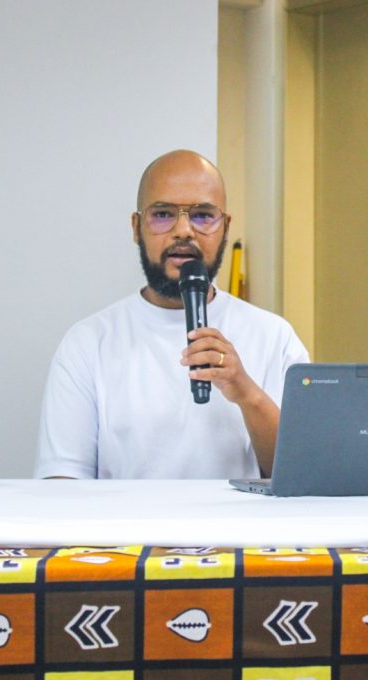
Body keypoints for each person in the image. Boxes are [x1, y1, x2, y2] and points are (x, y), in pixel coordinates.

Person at [35, 150, 309, 479]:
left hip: (235, 516)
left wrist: (247, 393)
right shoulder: (88, 343)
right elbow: (63, 480)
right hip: (126, 516)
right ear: (136, 227)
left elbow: (303, 476)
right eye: (163, 214)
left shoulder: (274, 337)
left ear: (225, 228)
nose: (184, 231)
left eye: (203, 215)